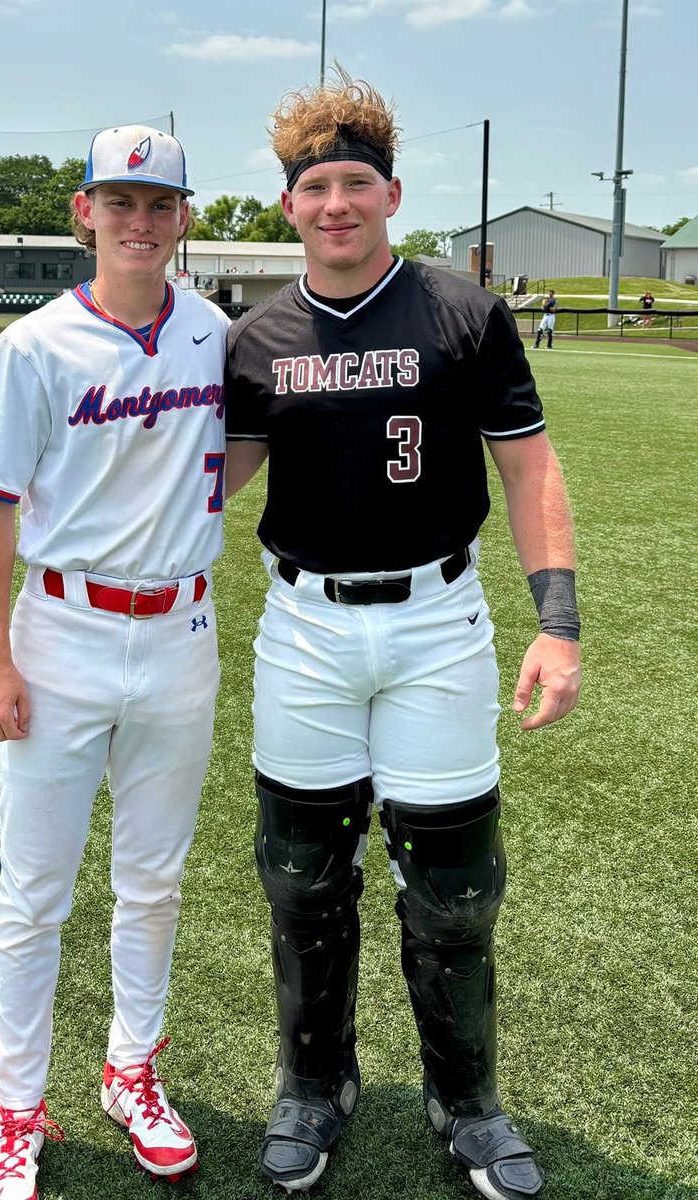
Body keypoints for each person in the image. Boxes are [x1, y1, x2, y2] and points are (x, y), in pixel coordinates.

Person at [224, 70, 581, 1200]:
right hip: (305, 630)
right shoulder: (254, 339)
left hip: (437, 622)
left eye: (355, 184)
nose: (335, 203)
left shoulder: (461, 311)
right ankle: (313, 1084)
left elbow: (526, 467)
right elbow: (210, 482)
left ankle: (464, 1100)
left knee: (455, 885)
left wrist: (555, 623)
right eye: (314, 187)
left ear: (389, 193)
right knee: (299, 876)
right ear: (289, 206)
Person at [0, 123, 230, 1200]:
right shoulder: (35, 345)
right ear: (84, 214)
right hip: (58, 633)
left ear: (184, 217)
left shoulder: (213, 333)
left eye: (159, 204)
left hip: (181, 635)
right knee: (34, 894)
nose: (140, 222)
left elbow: (224, 463)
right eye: (121, 203)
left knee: (151, 882)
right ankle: (16, 1111)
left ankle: (130, 1070)